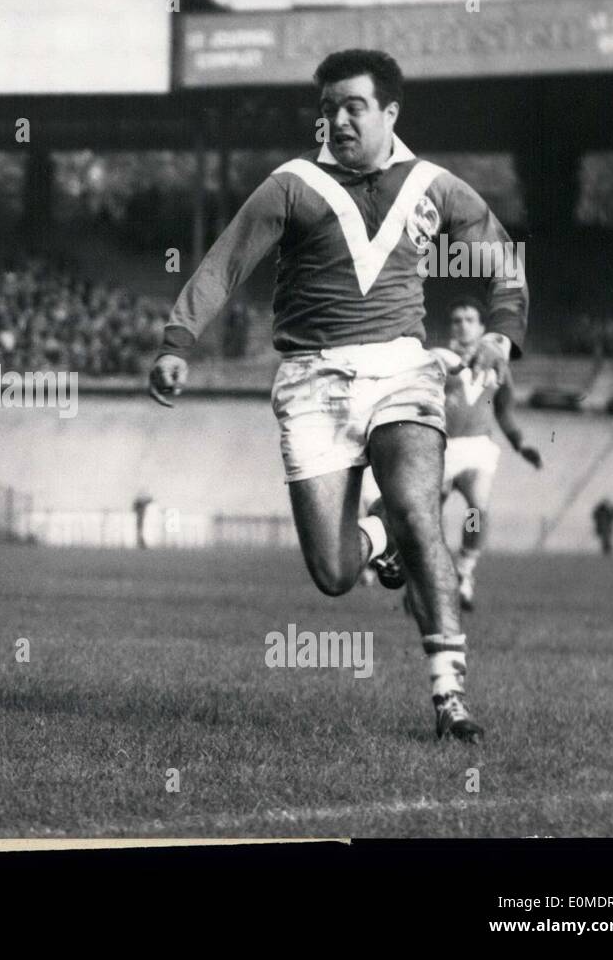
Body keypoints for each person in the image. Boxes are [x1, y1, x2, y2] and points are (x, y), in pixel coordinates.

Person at [149, 49, 527, 743]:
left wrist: (503, 333)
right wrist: (178, 342)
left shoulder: (435, 187)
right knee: (333, 572)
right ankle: (376, 534)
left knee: (419, 508)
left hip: (402, 370)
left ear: (390, 112)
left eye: (353, 106)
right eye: (326, 109)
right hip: (311, 380)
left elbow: (504, 260)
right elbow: (224, 264)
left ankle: (450, 698)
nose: (337, 120)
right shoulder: (290, 185)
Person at [431, 296, 542, 611]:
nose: (463, 325)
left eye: (469, 319)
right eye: (457, 320)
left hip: (477, 448)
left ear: (482, 327)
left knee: (477, 510)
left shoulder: (497, 364)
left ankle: (464, 574)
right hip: (439, 448)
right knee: (428, 521)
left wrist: (521, 445)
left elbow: (505, 411)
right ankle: (436, 579)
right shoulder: (438, 360)